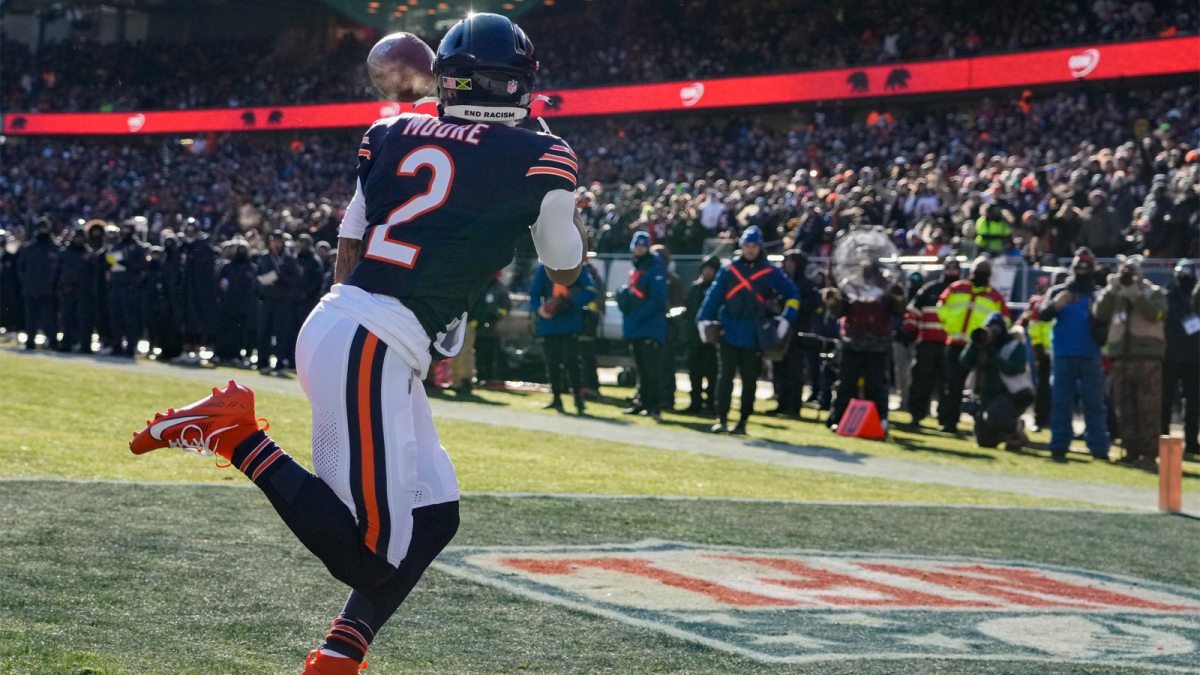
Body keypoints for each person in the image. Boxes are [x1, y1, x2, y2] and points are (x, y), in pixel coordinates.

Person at [131, 14, 585, 674]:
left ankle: (345, 647)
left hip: (358, 328)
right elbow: (563, 261)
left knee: (434, 514)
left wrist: (396, 328)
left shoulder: (390, 131)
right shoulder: (544, 154)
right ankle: (236, 435)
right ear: (522, 84)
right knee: (370, 551)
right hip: (371, 342)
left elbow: (354, 242)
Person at [697, 226, 799, 435]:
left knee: (749, 381)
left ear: (759, 247)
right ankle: (721, 418)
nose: (750, 250)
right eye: (747, 246)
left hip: (755, 335)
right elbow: (713, 297)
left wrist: (784, 321)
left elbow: (793, 295)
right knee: (724, 378)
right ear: (742, 246)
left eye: (754, 246)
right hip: (729, 332)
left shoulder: (770, 272)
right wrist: (704, 319)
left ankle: (743, 421)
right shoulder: (728, 270)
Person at [1037, 248, 1110, 461]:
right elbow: (1042, 315)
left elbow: (1106, 324)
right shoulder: (1059, 291)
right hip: (1063, 354)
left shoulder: (1097, 294)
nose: (1082, 270)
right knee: (1061, 402)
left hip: (1090, 354)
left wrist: (1095, 314)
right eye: (1079, 266)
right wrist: (1056, 305)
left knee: (1094, 402)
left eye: (1087, 266)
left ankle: (1098, 446)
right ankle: (1059, 444)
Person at [1094, 256, 1166, 467]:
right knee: (1124, 407)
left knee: (1148, 407)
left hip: (1147, 357)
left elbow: (1156, 314)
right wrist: (1112, 289)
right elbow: (1099, 313)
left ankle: (1149, 454)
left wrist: (1136, 295)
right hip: (1121, 357)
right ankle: (1130, 450)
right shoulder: (1115, 292)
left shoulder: (1153, 291)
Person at [823, 261, 906, 431]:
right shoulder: (849, 285)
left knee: (877, 386)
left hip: (878, 344)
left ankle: (880, 420)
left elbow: (899, 310)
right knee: (846, 384)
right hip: (853, 341)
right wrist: (833, 301)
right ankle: (839, 418)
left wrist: (899, 297)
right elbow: (840, 312)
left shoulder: (887, 286)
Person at [935, 256, 1007, 434]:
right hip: (955, 343)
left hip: (980, 347)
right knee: (952, 385)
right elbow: (941, 307)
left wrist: (990, 337)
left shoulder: (995, 297)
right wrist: (950, 326)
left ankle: (982, 426)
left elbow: (1004, 321)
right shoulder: (957, 288)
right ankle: (948, 422)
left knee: (982, 389)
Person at [960, 312, 1033, 450]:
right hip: (986, 396)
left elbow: (1014, 369)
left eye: (996, 330)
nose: (992, 333)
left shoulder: (1014, 345)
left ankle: (1016, 429)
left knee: (994, 415)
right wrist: (975, 344)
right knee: (985, 442)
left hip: (1014, 395)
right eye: (989, 329)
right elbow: (965, 362)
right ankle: (1006, 435)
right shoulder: (981, 346)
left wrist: (994, 357)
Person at [530, 262, 596, 413]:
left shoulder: (576, 267)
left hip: (569, 322)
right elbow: (534, 293)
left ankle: (578, 397)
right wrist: (540, 309)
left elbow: (590, 291)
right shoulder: (545, 268)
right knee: (552, 362)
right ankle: (556, 397)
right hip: (550, 323)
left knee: (571, 361)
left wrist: (570, 302)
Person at [618, 231, 668, 420]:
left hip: (649, 326)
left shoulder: (654, 267)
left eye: (642, 246)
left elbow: (658, 299)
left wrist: (639, 315)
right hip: (637, 325)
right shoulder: (638, 267)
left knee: (651, 368)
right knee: (641, 367)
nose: (639, 249)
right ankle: (643, 401)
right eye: (637, 246)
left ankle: (654, 405)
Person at [906, 258, 959, 425]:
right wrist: (909, 330)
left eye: (954, 268)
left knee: (948, 384)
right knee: (921, 380)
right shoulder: (930, 289)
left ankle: (945, 420)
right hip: (927, 343)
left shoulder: (962, 293)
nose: (951, 271)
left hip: (950, 345)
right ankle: (916, 415)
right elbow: (913, 311)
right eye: (948, 267)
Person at [772, 250, 819, 417]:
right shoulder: (782, 282)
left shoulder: (806, 285)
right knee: (780, 368)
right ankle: (781, 402)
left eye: (791, 261)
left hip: (798, 332)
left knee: (795, 370)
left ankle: (793, 406)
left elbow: (812, 305)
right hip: (781, 331)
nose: (788, 265)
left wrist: (793, 306)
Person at [1162, 259, 1199, 459]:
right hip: (1171, 356)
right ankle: (1163, 438)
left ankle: (1191, 442)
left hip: (1193, 358)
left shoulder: (1197, 297)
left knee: (1193, 403)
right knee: (1166, 400)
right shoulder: (1168, 296)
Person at [255, 230, 301, 373]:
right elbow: (257, 276)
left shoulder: (289, 259)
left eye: (278, 241)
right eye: (273, 241)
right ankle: (262, 362)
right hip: (267, 299)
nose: (275, 244)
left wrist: (281, 278)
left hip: (283, 300)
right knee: (264, 331)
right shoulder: (264, 258)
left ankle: (280, 362)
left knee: (282, 333)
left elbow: (295, 279)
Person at [103, 218, 148, 357]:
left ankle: (130, 346)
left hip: (130, 286)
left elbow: (142, 268)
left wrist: (127, 264)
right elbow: (111, 265)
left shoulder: (138, 247)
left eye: (127, 229)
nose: (125, 232)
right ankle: (117, 345)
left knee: (130, 318)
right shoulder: (117, 246)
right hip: (116, 285)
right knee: (115, 318)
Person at [1022, 273, 1061, 432]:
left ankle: (1059, 421)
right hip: (1045, 351)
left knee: (1062, 389)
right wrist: (1037, 346)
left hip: (1063, 351)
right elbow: (1034, 324)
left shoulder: (1072, 300)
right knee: (1043, 387)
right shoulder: (1039, 302)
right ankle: (1040, 419)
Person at [15, 217, 60, 350]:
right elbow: (20, 268)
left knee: (50, 319)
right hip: (31, 289)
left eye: (44, 228)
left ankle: (52, 342)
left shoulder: (55, 248)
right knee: (31, 319)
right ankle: (30, 341)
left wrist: (54, 284)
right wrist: (26, 282)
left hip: (49, 290)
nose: (42, 230)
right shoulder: (29, 248)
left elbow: (59, 269)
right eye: (40, 228)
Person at [684, 255, 720, 413]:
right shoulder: (695, 288)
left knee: (712, 374)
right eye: (705, 269)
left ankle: (712, 404)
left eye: (710, 269)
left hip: (712, 340)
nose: (707, 272)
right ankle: (695, 403)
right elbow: (688, 310)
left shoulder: (718, 289)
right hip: (695, 338)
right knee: (695, 372)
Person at [55, 226, 95, 353]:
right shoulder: (64, 252)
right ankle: (66, 343)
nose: (79, 240)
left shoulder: (89, 253)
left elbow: (94, 274)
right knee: (66, 318)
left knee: (84, 319)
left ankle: (85, 345)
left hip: (83, 291)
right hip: (67, 290)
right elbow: (57, 271)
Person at [469, 272, 511, 387]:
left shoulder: (500, 289)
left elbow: (506, 308)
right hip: (478, 327)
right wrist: (476, 319)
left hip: (493, 328)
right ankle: (479, 376)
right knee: (478, 354)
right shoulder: (481, 286)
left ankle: (489, 377)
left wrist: (495, 314)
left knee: (490, 354)